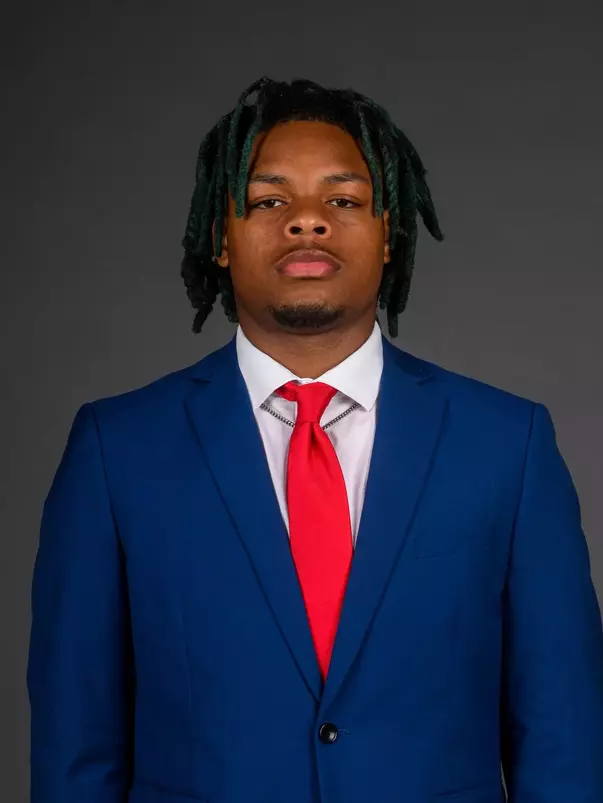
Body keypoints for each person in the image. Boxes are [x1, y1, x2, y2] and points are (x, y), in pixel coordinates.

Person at [27, 76, 603, 803]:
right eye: (269, 201)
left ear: (387, 234)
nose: (306, 222)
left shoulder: (506, 444)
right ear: (220, 237)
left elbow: (564, 740)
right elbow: (76, 748)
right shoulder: (117, 450)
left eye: (342, 199)